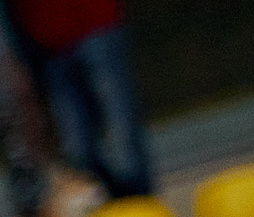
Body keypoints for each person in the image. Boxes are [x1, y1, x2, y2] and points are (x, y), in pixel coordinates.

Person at [13, 0, 152, 200]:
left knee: (122, 130)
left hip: (96, 23)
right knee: (78, 147)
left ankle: (139, 200)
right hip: (49, 42)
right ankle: (111, 201)